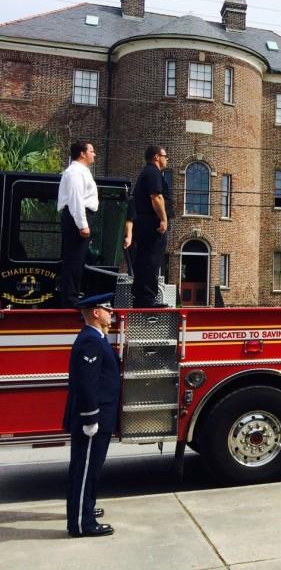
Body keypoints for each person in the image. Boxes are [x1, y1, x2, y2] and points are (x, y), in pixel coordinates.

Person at [64, 292, 119, 538]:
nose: (112, 313)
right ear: (96, 313)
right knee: (84, 470)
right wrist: (90, 418)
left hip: (100, 416)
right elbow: (87, 384)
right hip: (93, 418)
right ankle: (80, 524)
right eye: (108, 309)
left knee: (92, 469)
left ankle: (87, 508)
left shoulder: (97, 337)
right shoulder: (91, 341)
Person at [57, 141, 99, 308]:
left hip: (80, 216)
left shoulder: (83, 171)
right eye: (92, 151)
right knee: (73, 259)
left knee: (78, 259)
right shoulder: (74, 172)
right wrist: (82, 224)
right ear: (82, 153)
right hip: (76, 218)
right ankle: (70, 298)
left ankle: (73, 295)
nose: (94, 154)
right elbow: (76, 199)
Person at [131, 145, 172, 308]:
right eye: (165, 155)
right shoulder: (153, 173)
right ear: (156, 157)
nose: (166, 158)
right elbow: (157, 197)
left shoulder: (147, 173)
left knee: (144, 259)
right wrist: (163, 219)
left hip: (144, 223)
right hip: (151, 223)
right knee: (151, 260)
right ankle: (147, 298)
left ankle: (142, 297)